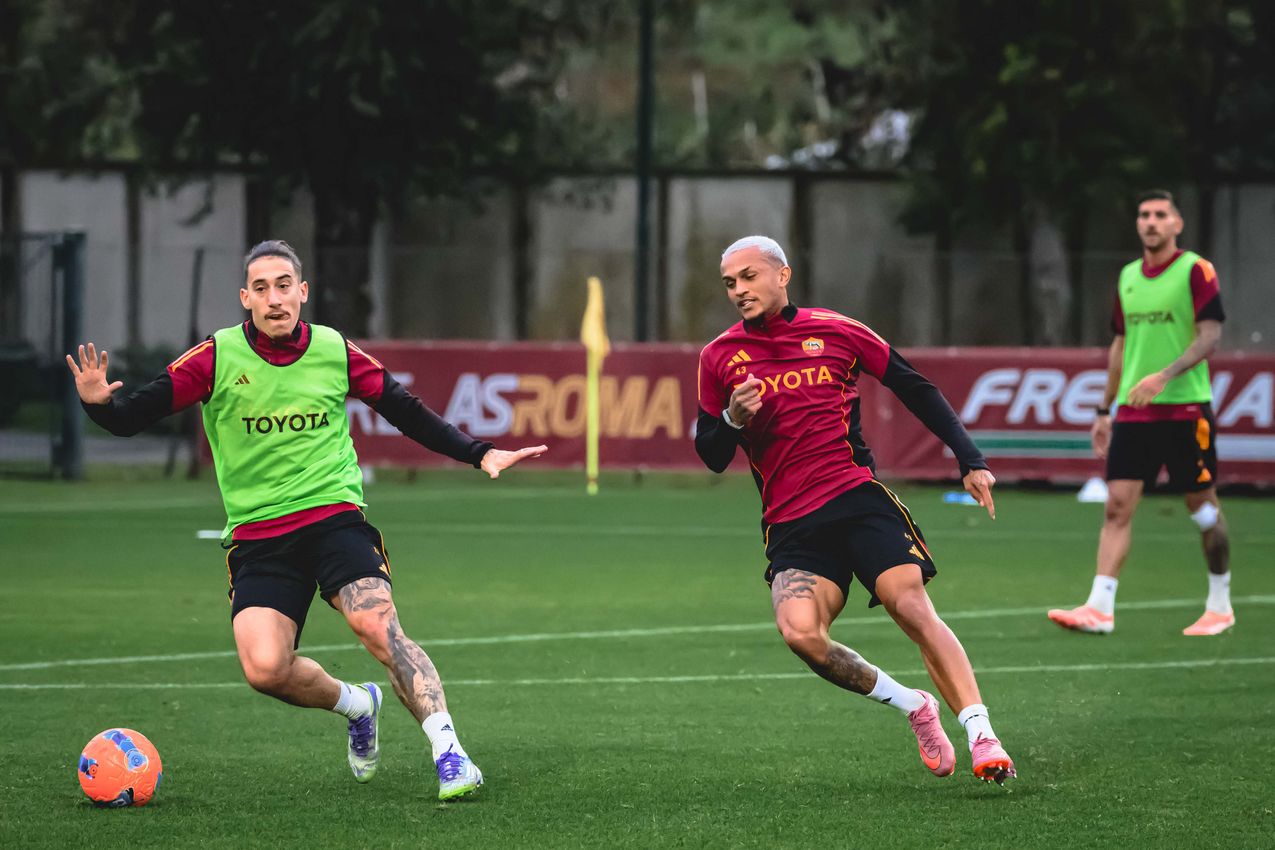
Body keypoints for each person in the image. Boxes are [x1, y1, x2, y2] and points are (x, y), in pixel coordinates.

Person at [66, 239, 547, 800]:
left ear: (303, 292)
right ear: (246, 298)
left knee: (377, 626)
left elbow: (403, 409)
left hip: (334, 519)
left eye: (284, 285)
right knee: (265, 668)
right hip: (259, 537)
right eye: (262, 288)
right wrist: (97, 403)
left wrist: (478, 452)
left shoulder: (333, 350)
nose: (275, 298)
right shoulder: (214, 358)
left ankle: (451, 754)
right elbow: (131, 418)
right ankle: (356, 703)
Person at [695, 235, 1015, 784]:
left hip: (857, 497)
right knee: (800, 633)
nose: (739, 291)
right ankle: (913, 705)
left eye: (749, 277)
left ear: (782, 274)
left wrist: (969, 457)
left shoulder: (837, 330)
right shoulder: (719, 356)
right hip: (792, 522)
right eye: (730, 283)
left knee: (908, 603)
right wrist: (730, 418)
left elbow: (914, 387)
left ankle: (983, 733)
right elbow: (710, 455)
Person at [1048, 190, 1232, 637]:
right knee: (1116, 506)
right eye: (1144, 215)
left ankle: (1220, 603)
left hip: (1186, 408)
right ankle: (1100, 607)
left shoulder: (1196, 270)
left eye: (1160, 215)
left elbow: (1210, 337)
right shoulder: (1128, 276)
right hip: (1134, 412)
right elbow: (1120, 346)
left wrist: (1164, 376)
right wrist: (1103, 409)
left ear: (1177, 224)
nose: (1150, 222)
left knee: (1202, 509)